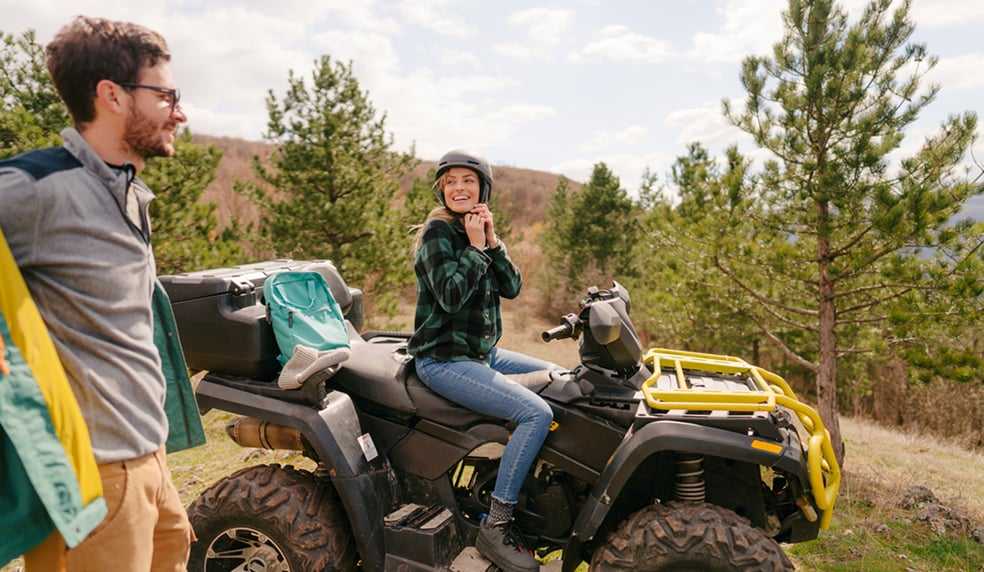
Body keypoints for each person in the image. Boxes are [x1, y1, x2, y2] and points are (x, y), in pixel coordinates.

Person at [0, 16, 194, 571]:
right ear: (111, 94)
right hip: (92, 474)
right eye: (166, 95)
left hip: (151, 463)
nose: (179, 112)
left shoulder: (128, 191)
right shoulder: (37, 190)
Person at [408, 150, 557, 572]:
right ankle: (496, 524)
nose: (459, 187)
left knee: (560, 378)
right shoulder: (438, 233)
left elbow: (512, 287)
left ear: (482, 189)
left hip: (483, 354)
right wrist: (475, 249)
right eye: (451, 181)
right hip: (442, 360)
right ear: (441, 188)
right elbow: (451, 296)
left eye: (468, 181)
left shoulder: (477, 230)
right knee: (535, 413)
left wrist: (492, 242)